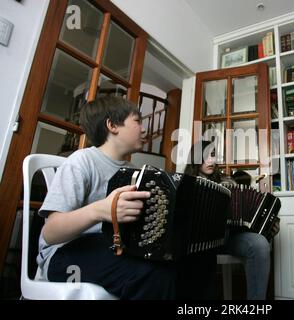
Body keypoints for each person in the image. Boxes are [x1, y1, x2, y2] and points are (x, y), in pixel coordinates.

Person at [37, 96, 216, 299]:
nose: (144, 128)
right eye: (137, 121)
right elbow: (50, 233)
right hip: (64, 256)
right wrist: (99, 210)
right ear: (112, 125)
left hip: (114, 247)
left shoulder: (134, 171)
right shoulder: (82, 161)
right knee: (154, 273)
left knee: (198, 259)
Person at [184, 140, 280, 300]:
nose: (211, 160)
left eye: (213, 155)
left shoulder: (227, 182)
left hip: (229, 238)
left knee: (260, 244)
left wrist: (269, 224)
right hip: (200, 242)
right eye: (205, 156)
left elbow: (249, 212)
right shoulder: (186, 183)